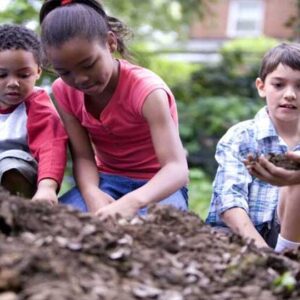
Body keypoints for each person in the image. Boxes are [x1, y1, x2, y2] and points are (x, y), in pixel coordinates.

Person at [39, 0, 189, 219]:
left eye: (89, 64)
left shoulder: (147, 91)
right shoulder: (63, 91)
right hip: (105, 182)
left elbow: (176, 169)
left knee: (154, 232)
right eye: (65, 72)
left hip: (158, 187)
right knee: (50, 223)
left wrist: (132, 202)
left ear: (110, 43)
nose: (80, 79)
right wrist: (92, 193)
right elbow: (83, 157)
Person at [206, 42, 300, 250]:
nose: (290, 94)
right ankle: (281, 262)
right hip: (241, 235)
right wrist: (263, 250)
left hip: (289, 235)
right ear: (261, 87)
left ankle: (287, 258)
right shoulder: (242, 136)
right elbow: (229, 201)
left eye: (299, 86)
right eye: (279, 85)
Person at [0, 24, 67, 204]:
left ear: (37, 72)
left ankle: (16, 211)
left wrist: (47, 187)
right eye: (1, 75)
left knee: (10, 164)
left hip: (19, 173)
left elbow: (51, 147)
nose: (13, 83)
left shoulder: (37, 106)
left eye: (23, 75)